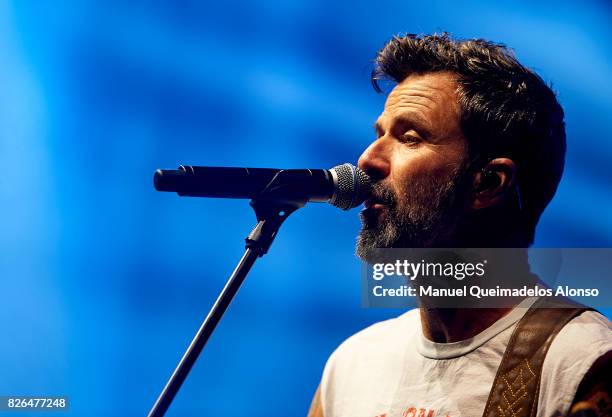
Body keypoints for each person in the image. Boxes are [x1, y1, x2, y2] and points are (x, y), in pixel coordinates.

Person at [308, 33, 611, 417]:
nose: (366, 160)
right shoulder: (351, 366)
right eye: (379, 134)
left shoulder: (580, 360)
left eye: (410, 138)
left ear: (488, 183)